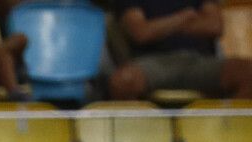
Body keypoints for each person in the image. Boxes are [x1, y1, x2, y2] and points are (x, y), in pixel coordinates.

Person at [108, 0, 252, 102]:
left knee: (247, 73)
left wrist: (162, 27)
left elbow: (215, 26)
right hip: (153, 63)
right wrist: (184, 18)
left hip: (199, 61)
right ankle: (146, 136)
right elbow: (141, 32)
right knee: (122, 82)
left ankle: (224, 132)